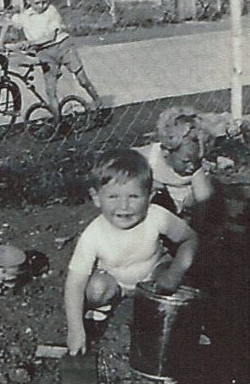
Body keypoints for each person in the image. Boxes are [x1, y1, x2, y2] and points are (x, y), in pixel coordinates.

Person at [64, 148, 198, 355]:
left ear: (149, 196)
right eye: (113, 197)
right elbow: (75, 282)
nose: (124, 206)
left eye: (134, 196)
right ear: (96, 197)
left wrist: (175, 273)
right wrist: (75, 330)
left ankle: (176, 320)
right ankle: (104, 310)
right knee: (96, 288)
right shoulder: (93, 234)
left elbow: (190, 239)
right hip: (116, 282)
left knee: (182, 281)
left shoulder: (156, 216)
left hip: (153, 278)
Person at [5, 0, 101, 120]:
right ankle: (57, 119)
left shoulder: (51, 12)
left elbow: (50, 37)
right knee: (50, 90)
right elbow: (9, 21)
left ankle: (97, 101)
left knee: (82, 79)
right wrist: (3, 35)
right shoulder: (26, 16)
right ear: (29, 1)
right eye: (37, 3)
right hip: (45, 54)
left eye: (45, 2)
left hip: (63, 47)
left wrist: (29, 43)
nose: (42, 6)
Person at [135, 107, 215, 230]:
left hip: (187, 206)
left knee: (208, 191)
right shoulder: (150, 157)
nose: (192, 167)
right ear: (166, 151)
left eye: (197, 161)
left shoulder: (195, 167)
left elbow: (202, 197)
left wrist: (196, 228)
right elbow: (123, 164)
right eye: (186, 162)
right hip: (159, 205)